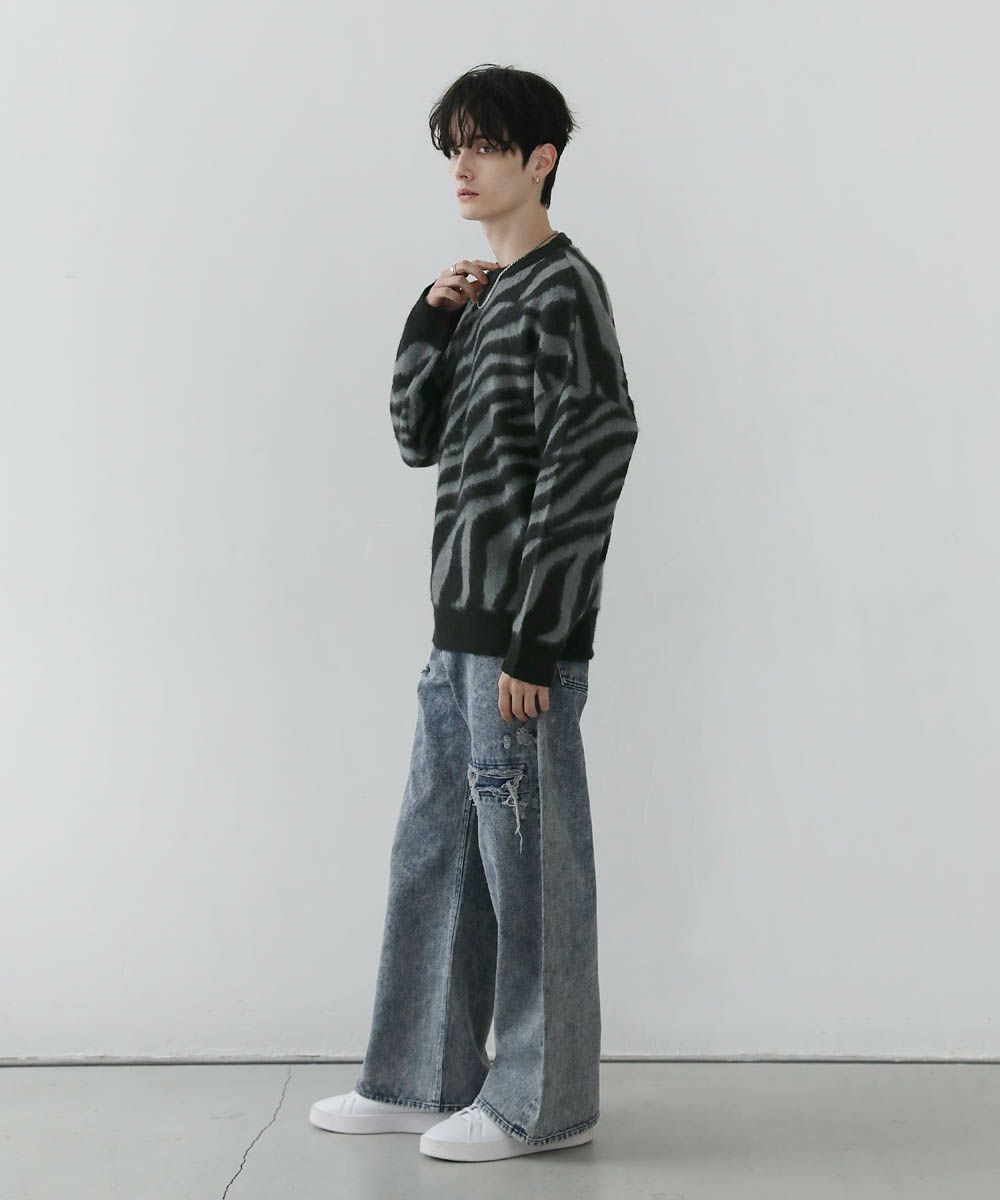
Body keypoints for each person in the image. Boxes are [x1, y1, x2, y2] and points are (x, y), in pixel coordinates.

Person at [309, 62, 639, 1163]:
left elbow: (594, 452)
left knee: (530, 878)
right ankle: (420, 1078)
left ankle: (542, 1105)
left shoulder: (564, 289)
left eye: (486, 144)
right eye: (454, 145)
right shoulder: (487, 294)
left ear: (541, 160)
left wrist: (539, 640)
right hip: (457, 635)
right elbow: (417, 438)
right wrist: (429, 320)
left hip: (516, 641)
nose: (463, 164)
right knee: (436, 861)